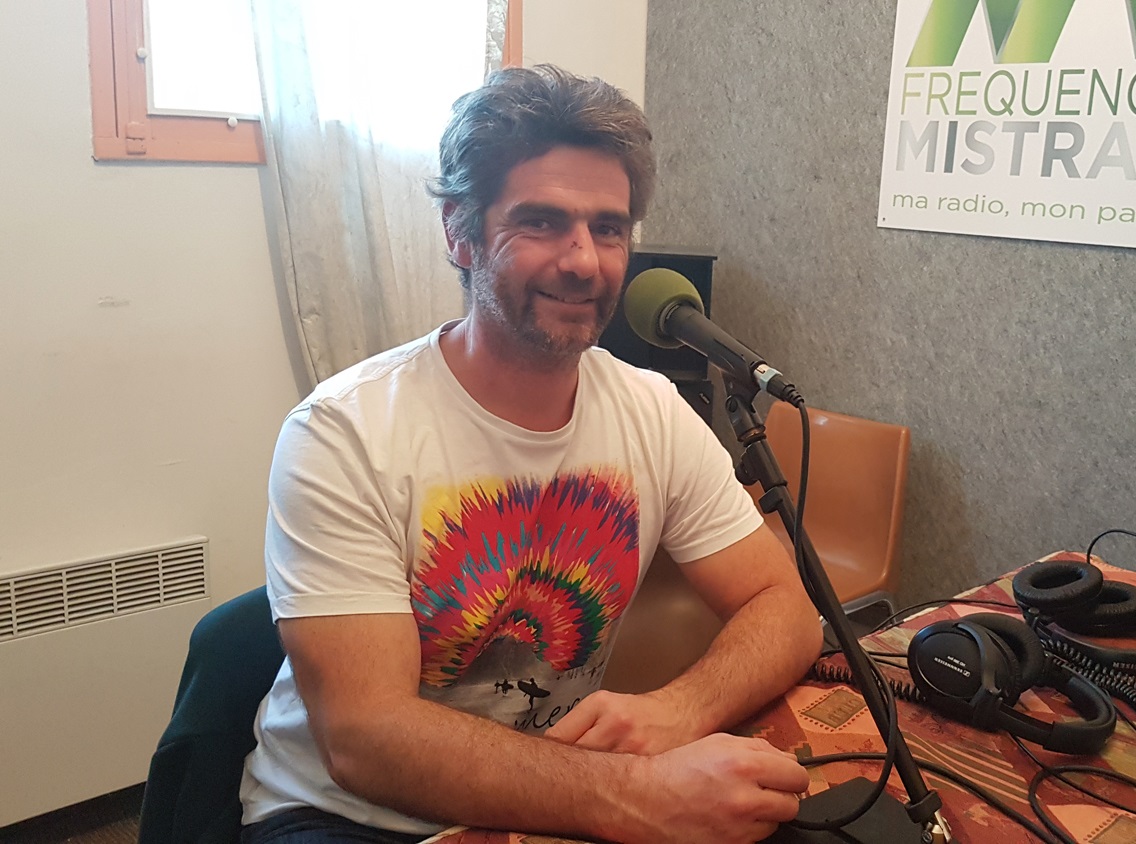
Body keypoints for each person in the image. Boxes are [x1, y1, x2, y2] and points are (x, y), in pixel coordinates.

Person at [238, 64, 825, 844]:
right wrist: (643, 793)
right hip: (349, 817)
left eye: (608, 228)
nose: (584, 260)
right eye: (542, 222)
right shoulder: (343, 433)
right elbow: (365, 737)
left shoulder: (652, 410)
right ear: (460, 231)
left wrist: (678, 709)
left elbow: (786, 609)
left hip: (561, 787)